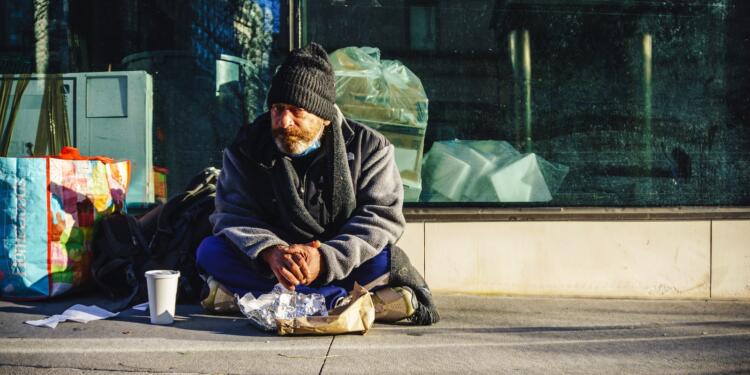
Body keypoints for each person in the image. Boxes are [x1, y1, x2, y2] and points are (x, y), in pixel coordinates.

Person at [195, 43, 439, 325]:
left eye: (297, 110)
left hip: (337, 261)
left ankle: (259, 300)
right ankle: (338, 301)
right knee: (210, 251)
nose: (284, 122)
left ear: (324, 116)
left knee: (386, 259)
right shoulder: (247, 146)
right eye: (277, 108)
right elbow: (232, 213)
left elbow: (381, 218)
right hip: (272, 266)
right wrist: (270, 252)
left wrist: (323, 259)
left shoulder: (370, 147)